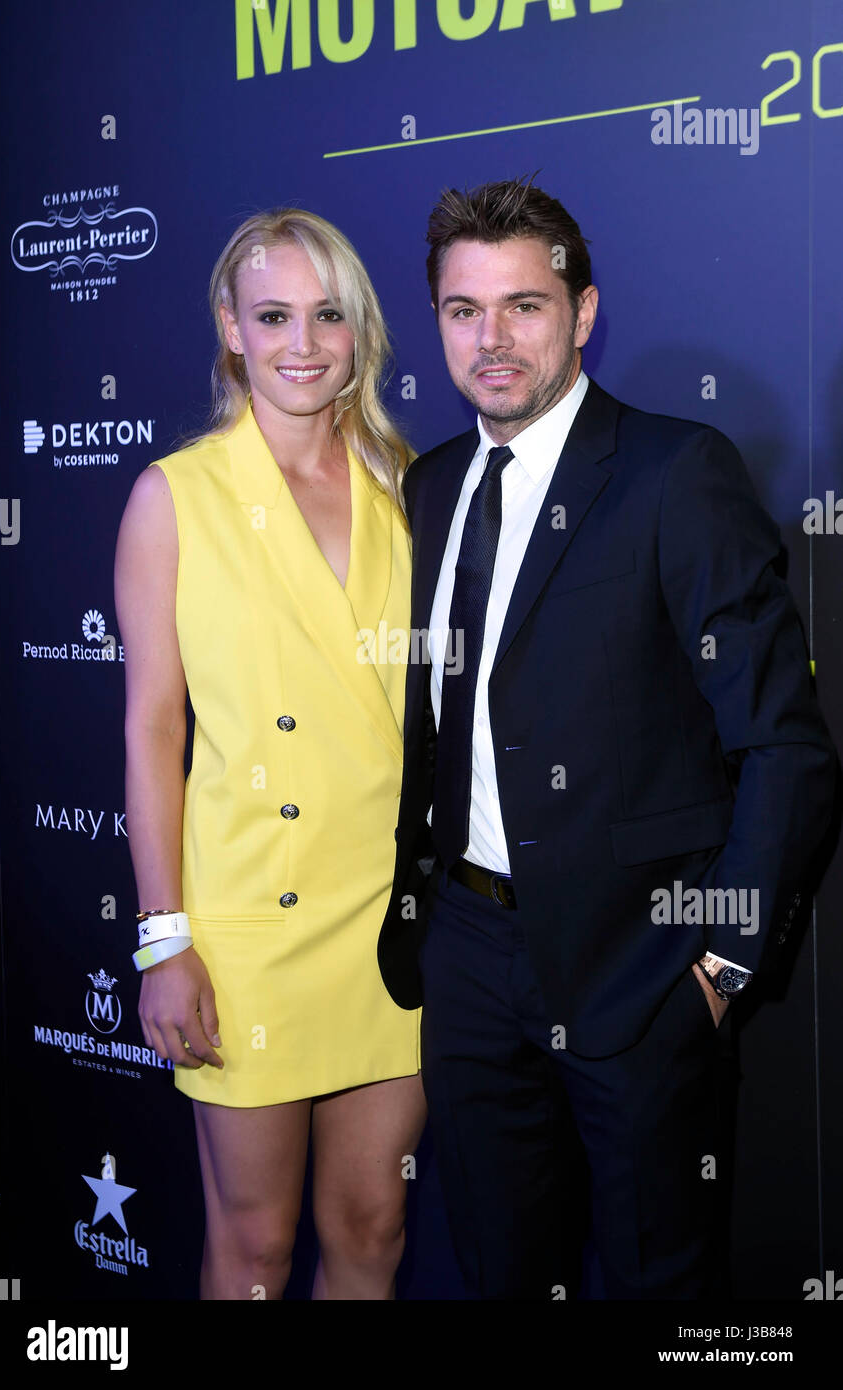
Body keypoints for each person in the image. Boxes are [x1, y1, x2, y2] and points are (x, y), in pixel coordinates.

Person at [378, 176, 837, 1300]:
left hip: (639, 966)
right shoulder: (429, 485)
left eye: (523, 306)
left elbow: (782, 745)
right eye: (460, 310)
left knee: (656, 1279)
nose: (490, 339)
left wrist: (719, 965)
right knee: (500, 1269)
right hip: (468, 956)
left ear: (582, 313)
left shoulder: (673, 473)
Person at [115, 208, 426, 1300]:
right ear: (230, 328)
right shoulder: (176, 496)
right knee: (250, 1250)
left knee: (373, 1225)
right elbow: (154, 728)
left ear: (358, 331)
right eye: (275, 314)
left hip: (389, 926)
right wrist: (165, 941)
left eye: (328, 314)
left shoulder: (409, 487)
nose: (304, 341)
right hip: (248, 929)